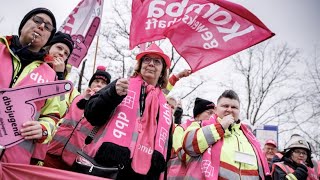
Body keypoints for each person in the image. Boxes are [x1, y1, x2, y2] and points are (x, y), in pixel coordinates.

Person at [84, 43, 173, 179]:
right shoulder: (122, 85)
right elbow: (91, 114)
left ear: (162, 71)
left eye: (157, 61)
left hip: (145, 174)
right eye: (147, 59)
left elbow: (167, 149)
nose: (151, 64)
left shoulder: (165, 107)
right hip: (109, 168)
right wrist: (112, 94)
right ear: (140, 65)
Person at [0, 7, 62, 164]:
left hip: (13, 162)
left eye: (47, 27)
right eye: (37, 20)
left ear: (48, 38)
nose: (41, 26)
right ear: (23, 25)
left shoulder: (51, 75)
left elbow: (52, 116)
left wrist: (43, 129)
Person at [182, 90, 271, 179]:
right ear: (216, 109)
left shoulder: (249, 137)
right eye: (225, 106)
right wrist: (221, 126)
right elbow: (188, 145)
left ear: (239, 111)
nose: (229, 109)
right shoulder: (200, 125)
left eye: (234, 107)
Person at [43, 66, 111, 170]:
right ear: (90, 83)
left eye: (103, 83)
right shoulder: (76, 97)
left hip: (74, 160)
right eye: (96, 81)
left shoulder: (107, 107)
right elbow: (60, 98)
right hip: (53, 150)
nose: (99, 84)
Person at [167, 97, 215, 179]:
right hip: (178, 176)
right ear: (198, 114)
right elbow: (182, 154)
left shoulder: (211, 132)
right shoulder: (181, 128)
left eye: (214, 114)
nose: (212, 116)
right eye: (209, 113)